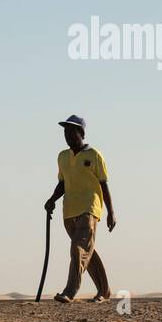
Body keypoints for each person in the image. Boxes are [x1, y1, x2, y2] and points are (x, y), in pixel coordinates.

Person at [43, 114, 116, 303]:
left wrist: (110, 212)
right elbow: (62, 183)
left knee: (78, 250)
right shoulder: (63, 157)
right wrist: (52, 200)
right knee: (86, 252)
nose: (67, 136)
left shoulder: (94, 155)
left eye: (71, 132)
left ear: (81, 133)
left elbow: (103, 184)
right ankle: (104, 290)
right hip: (69, 210)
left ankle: (69, 291)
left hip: (89, 209)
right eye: (65, 132)